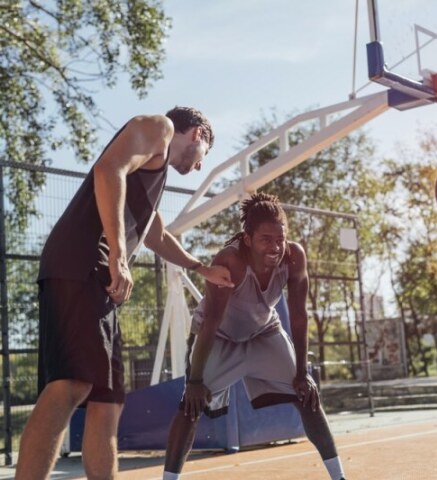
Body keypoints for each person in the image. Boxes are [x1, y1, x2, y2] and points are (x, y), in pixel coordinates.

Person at [15, 107, 235, 480]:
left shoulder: (154, 173)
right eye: (205, 157)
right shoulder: (158, 128)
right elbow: (108, 169)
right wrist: (118, 252)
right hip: (82, 261)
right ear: (197, 134)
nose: (199, 167)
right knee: (72, 384)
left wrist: (201, 268)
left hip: (101, 277)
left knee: (107, 402)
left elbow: (157, 236)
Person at [162, 193, 347, 480]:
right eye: (266, 239)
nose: (275, 247)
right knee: (192, 404)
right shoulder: (230, 260)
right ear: (248, 239)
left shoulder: (294, 257)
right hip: (219, 335)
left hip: (263, 331)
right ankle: (169, 478)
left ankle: (339, 476)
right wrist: (195, 381)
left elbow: (299, 317)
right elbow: (211, 322)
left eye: (279, 238)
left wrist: (302, 373)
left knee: (307, 395)